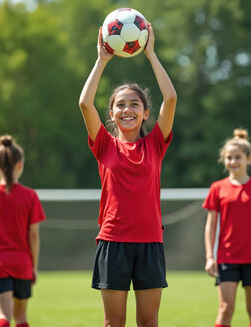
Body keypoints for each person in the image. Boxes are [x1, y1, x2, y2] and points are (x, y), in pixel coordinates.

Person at [79, 23, 177, 327]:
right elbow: (84, 103)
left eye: (134, 104)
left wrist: (150, 53)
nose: (127, 109)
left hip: (150, 242)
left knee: (149, 321)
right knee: (113, 323)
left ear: (146, 113)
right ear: (111, 113)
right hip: (113, 242)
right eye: (120, 105)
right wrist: (101, 60)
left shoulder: (155, 144)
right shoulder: (104, 146)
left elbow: (171, 98)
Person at [203, 128, 251, 327]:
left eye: (237, 157)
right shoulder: (217, 188)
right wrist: (210, 257)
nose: (233, 162)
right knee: (226, 309)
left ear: (248, 159)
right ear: (223, 160)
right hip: (226, 258)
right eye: (229, 158)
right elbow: (210, 226)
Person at [0, 135, 46, 327]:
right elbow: (34, 236)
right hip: (23, 263)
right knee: (21, 318)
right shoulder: (30, 196)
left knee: (3, 316)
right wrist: (33, 266)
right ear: (20, 166)